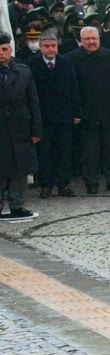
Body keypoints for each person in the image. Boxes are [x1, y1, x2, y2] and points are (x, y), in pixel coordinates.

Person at [28, 28, 82, 198]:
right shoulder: (32, 64)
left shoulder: (66, 62)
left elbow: (74, 88)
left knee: (64, 151)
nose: (51, 49)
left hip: (64, 115)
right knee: (45, 153)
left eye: (53, 46)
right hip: (43, 116)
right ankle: (46, 184)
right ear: (40, 46)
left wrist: (76, 112)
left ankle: (64, 183)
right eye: (47, 46)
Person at [69, 26, 110, 195]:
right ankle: (91, 182)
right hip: (86, 113)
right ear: (82, 41)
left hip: (108, 110)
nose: (91, 42)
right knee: (89, 151)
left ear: (99, 39)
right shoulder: (73, 58)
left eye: (94, 39)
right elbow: (72, 88)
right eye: (87, 39)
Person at [0, 31, 41, 221]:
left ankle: (17, 204)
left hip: (20, 127)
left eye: (4, 49)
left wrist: (36, 130)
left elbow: (33, 102)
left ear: (10, 49)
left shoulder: (23, 71)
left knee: (20, 169)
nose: (1, 53)